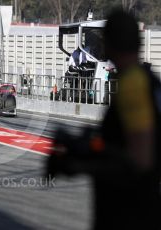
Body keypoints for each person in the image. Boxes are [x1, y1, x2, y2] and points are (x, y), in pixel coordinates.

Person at [46, 9, 161, 230]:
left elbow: (140, 160)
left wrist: (85, 159)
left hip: (129, 213)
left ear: (108, 44)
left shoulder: (133, 85)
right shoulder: (149, 80)